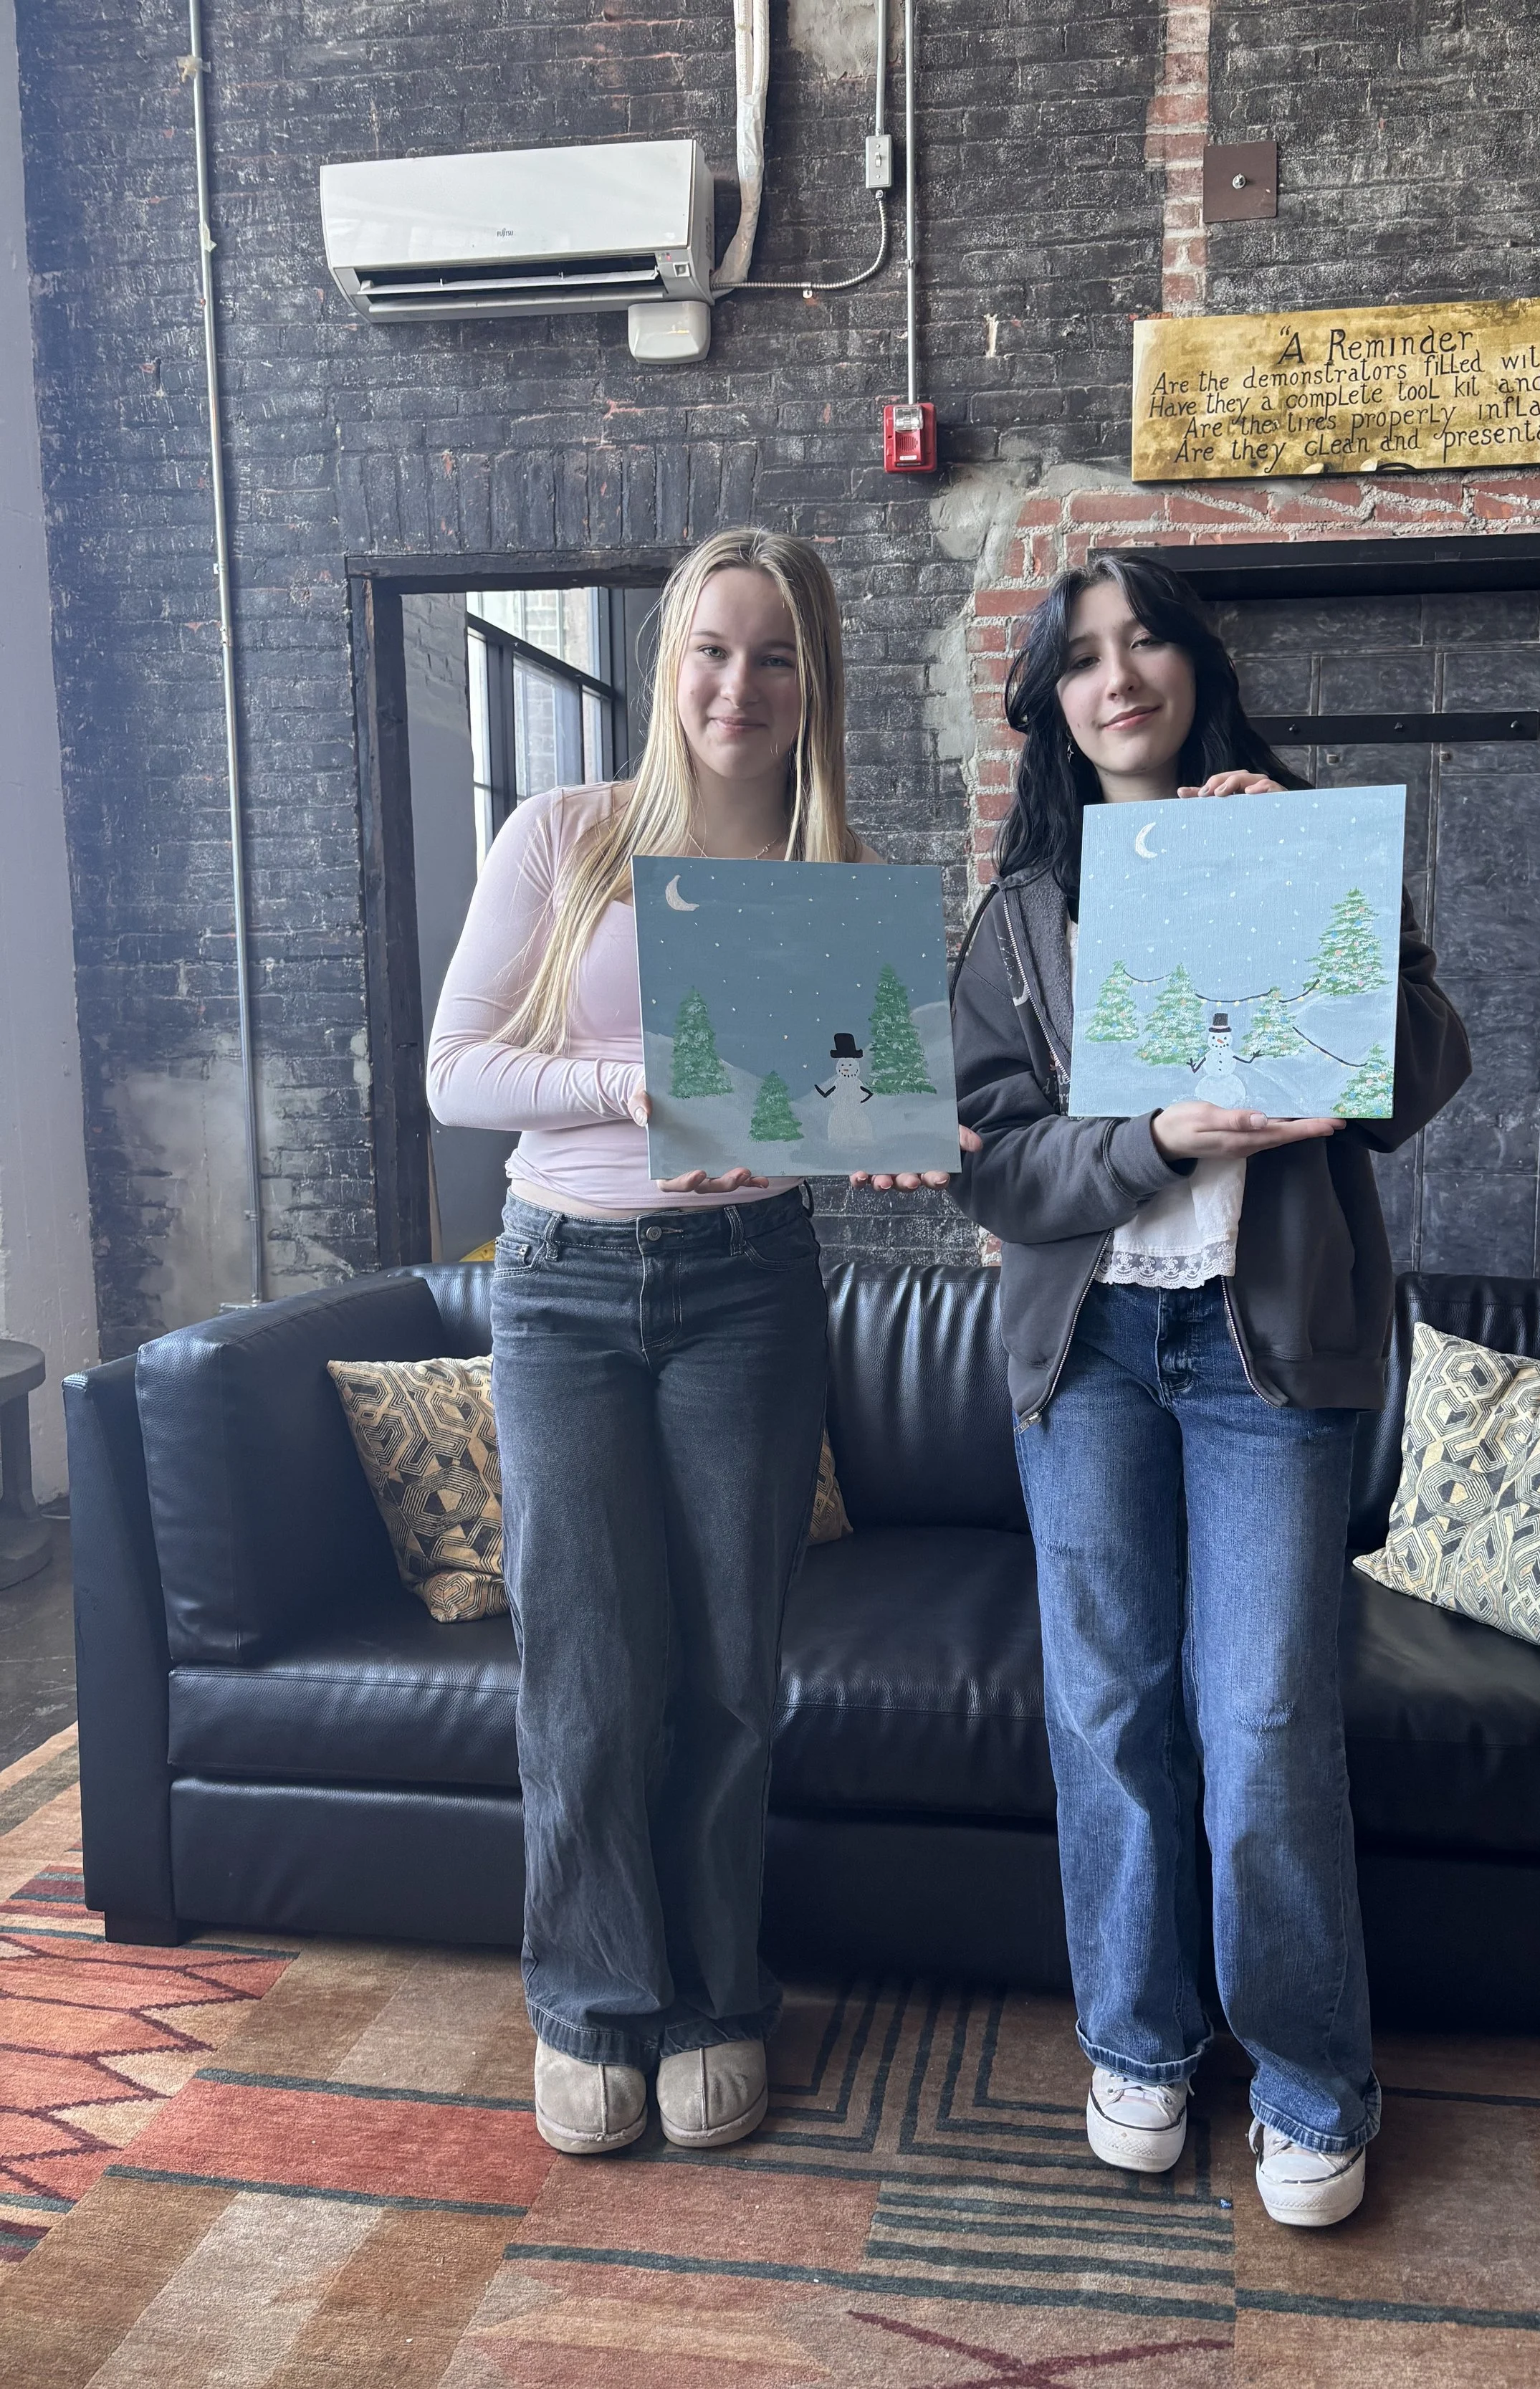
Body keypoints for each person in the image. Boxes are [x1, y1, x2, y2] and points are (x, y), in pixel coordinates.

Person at [947, 552, 1469, 2224]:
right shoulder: (1020, 915)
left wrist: (1309, 899)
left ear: (1192, 667)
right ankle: (1139, 2043)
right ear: (1049, 702)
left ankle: (1312, 2080)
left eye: (1146, 641)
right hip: (1088, 1347)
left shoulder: (1294, 843)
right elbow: (997, 1166)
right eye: (1083, 656)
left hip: (1267, 1356)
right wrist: (1155, 1139)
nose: (1120, 678)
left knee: (1256, 1722)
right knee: (1106, 1709)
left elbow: (1412, 1079)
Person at [429, 528, 957, 2159]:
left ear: (816, 685)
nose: (739, 685)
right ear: (670, 669)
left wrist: (881, 1141)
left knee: (731, 1669)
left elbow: (848, 1116)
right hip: (563, 1283)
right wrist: (625, 1087)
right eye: (713, 650)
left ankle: (719, 1996)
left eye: (775, 654)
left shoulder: (833, 886)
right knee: (585, 1666)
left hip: (747, 1283)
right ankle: (591, 2005)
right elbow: (457, 1071)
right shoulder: (565, 837)